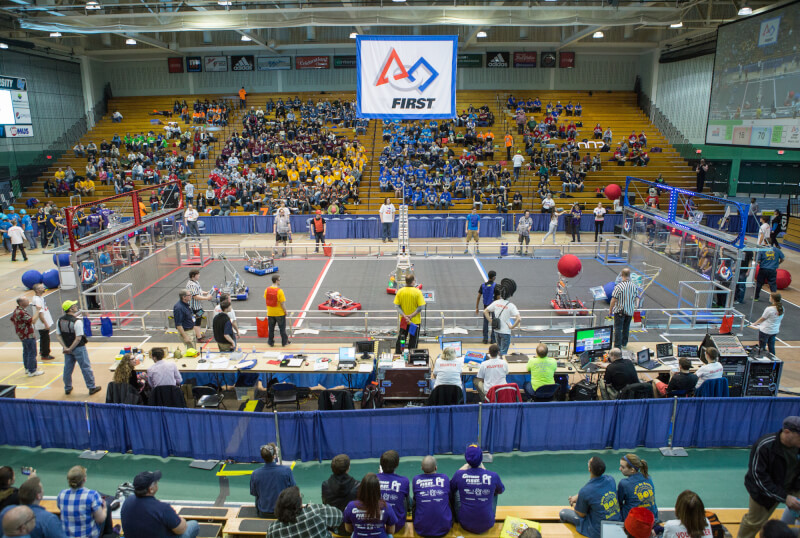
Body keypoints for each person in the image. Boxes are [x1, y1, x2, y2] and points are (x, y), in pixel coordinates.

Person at [120, 470, 199, 538]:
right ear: (151, 489)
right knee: (194, 525)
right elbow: (181, 530)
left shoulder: (127, 501)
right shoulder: (163, 509)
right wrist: (182, 520)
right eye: (155, 482)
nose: (157, 483)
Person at [560, 456, 621, 538]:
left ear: (589, 469)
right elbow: (591, 493)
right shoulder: (611, 479)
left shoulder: (585, 491)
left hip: (598, 532)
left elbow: (581, 514)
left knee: (563, 513)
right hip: (617, 525)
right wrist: (577, 497)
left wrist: (576, 504)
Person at [451, 444, 505, 534]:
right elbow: (501, 490)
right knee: (495, 491)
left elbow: (451, 488)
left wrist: (460, 470)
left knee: (456, 490)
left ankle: (456, 517)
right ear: (481, 458)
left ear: (466, 459)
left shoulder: (459, 474)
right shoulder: (493, 476)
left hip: (464, 523)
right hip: (488, 523)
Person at [56, 301, 100, 396]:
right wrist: (71, 348)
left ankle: (67, 387)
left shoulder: (59, 320)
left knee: (67, 369)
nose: (76, 306)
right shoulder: (77, 321)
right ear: (71, 309)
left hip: (67, 348)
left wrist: (65, 348)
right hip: (78, 348)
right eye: (74, 305)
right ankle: (91, 387)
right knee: (85, 367)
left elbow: (58, 335)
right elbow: (78, 338)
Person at [267, 486, 343, 538]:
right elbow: (339, 515)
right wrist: (312, 507)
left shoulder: (273, 529)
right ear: (299, 503)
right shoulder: (317, 512)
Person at [343, 473, 398, 538]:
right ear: (378, 489)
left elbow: (348, 529)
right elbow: (391, 531)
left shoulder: (350, 506)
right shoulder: (387, 507)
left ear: (361, 488)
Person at [57, 466, 106, 538]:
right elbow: (100, 520)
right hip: (88, 536)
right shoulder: (92, 495)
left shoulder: (61, 494)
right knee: (105, 509)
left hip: (66, 536)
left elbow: (59, 507)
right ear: (84, 479)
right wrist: (105, 509)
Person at [251, 443, 296, 518]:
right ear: (274, 456)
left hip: (263, 513)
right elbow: (293, 490)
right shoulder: (286, 470)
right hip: (282, 514)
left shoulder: (255, 474)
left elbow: (254, 493)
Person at [412, 456, 452, 538]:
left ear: (421, 468)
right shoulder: (444, 478)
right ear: (436, 467)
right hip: (444, 528)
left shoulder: (416, 479)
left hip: (421, 529)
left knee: (415, 500)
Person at [322, 454, 360, 536]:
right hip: (351, 529)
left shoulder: (325, 485)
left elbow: (325, 504)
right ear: (348, 468)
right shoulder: (357, 486)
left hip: (332, 528)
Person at [376, 450, 410, 531]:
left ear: (381, 465)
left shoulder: (373, 479)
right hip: (397, 525)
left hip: (375, 523)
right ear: (397, 465)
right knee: (406, 498)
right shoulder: (404, 481)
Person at [617, 454, 657, 520]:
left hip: (634, 521)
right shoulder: (648, 477)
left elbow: (618, 502)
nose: (620, 469)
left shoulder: (624, 483)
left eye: (622, 467)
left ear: (632, 470)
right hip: (652, 518)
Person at [11, 297, 42, 377]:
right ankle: (32, 370)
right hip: (27, 335)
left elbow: (12, 320)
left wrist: (20, 328)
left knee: (26, 351)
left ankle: (28, 368)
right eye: (26, 300)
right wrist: (37, 311)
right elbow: (32, 321)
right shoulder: (21, 312)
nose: (28, 301)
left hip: (22, 335)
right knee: (32, 352)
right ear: (21, 303)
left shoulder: (17, 311)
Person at [393, 274, 425, 353]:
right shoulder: (417, 292)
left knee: (401, 339)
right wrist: (411, 316)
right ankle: (411, 356)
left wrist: (405, 316)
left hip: (404, 321)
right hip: (414, 322)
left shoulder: (400, 291)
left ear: (406, 281)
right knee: (413, 341)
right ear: (413, 281)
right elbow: (421, 307)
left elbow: (397, 306)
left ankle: (398, 355)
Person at [484, 292, 521, 356]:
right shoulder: (511, 305)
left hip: (497, 330)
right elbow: (519, 319)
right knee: (503, 352)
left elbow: (485, 311)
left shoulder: (496, 302)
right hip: (505, 332)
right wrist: (512, 327)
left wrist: (491, 321)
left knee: (498, 351)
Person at [609, 268, 637, 349]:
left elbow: (613, 299)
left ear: (622, 275)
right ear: (629, 275)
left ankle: (617, 346)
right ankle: (624, 344)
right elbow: (636, 298)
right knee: (626, 328)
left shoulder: (619, 286)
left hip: (620, 311)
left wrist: (610, 310)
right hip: (630, 311)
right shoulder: (634, 286)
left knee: (618, 328)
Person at [186, 269, 214, 341]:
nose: (199, 275)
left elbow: (199, 291)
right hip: (194, 307)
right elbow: (195, 296)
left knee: (199, 320)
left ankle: (198, 334)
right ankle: (199, 337)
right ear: (193, 275)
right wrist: (207, 298)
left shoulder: (196, 282)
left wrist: (206, 293)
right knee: (196, 322)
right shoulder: (191, 285)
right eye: (198, 274)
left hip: (198, 306)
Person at [265, 275, 290, 347]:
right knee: (282, 329)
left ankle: (270, 342)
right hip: (279, 313)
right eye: (279, 280)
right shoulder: (280, 291)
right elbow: (282, 303)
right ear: (276, 281)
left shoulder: (267, 290)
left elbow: (267, 299)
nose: (280, 281)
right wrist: (285, 311)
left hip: (270, 312)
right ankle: (284, 342)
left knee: (271, 329)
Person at [31, 284, 54, 362]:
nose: (44, 288)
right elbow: (40, 313)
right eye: (42, 288)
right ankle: (45, 354)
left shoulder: (40, 298)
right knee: (45, 338)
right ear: (37, 290)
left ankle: (43, 351)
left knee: (44, 337)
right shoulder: (37, 300)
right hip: (42, 323)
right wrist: (45, 324)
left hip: (44, 321)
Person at [476, 270, 498, 345]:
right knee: (494, 322)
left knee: (485, 323)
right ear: (494, 277)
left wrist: (477, 307)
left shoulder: (483, 285)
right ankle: (493, 339)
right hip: (494, 307)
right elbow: (498, 299)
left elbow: (478, 297)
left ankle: (485, 339)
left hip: (486, 307)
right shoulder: (496, 286)